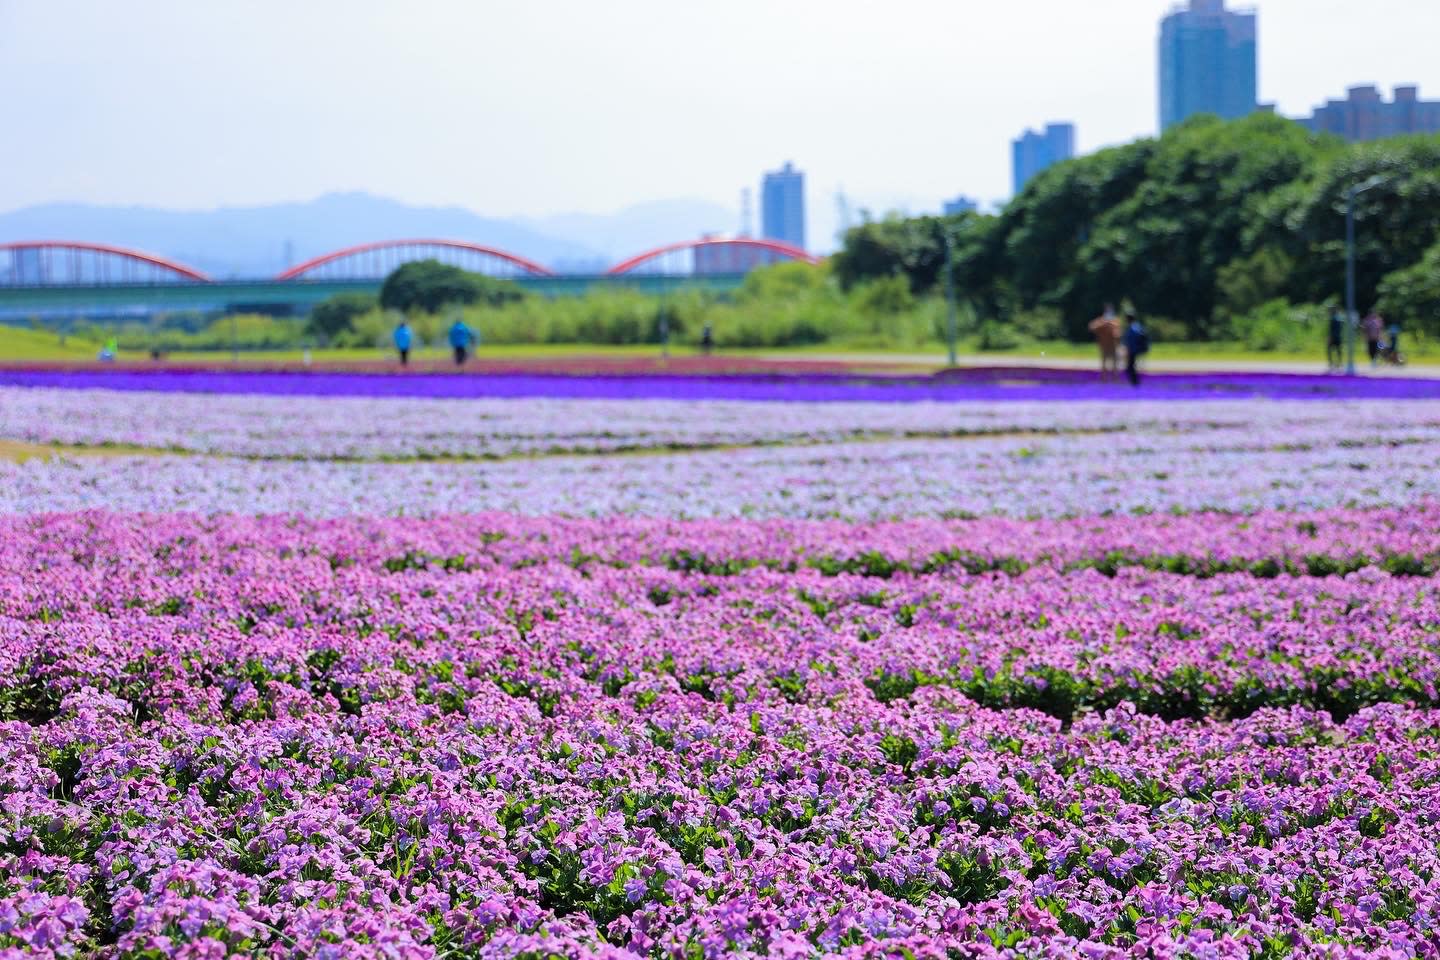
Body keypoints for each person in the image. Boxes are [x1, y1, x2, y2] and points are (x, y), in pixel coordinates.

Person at [1088, 304, 1120, 381]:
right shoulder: (1101, 320)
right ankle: (1104, 378)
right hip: (1103, 346)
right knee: (1104, 363)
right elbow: (1091, 327)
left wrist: (1111, 325)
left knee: (1114, 363)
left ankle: (1115, 378)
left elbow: (1118, 333)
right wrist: (1103, 323)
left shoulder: (1115, 320)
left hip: (1113, 346)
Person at [1121, 311, 1149, 387]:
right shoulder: (1137, 326)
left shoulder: (1133, 328)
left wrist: (1128, 349)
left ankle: (1135, 382)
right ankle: (1135, 382)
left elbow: (1131, 340)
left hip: (1133, 350)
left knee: (1130, 367)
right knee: (1131, 366)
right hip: (1135, 349)